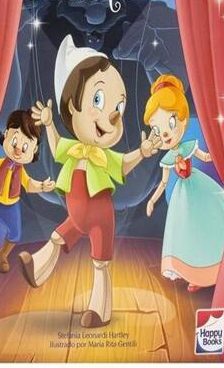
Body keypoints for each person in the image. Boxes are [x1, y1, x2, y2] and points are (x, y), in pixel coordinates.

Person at [18, 35, 161, 327]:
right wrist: (49, 124)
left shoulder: (102, 155)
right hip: (76, 215)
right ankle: (37, 271)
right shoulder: (74, 148)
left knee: (100, 263)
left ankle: (100, 311)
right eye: (99, 100)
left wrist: (142, 152)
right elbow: (56, 148)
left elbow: (123, 164)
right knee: (56, 239)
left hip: (99, 218)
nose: (113, 116)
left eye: (118, 108)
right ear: (71, 106)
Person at [144, 75, 224, 292]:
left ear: (182, 120)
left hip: (200, 189)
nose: (165, 133)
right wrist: (152, 201)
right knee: (187, 233)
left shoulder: (189, 145)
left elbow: (206, 157)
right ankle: (195, 273)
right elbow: (163, 183)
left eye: (170, 122)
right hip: (182, 198)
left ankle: (216, 268)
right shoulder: (167, 159)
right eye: (157, 129)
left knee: (208, 224)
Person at [0, 109, 55, 273]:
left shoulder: (20, 171)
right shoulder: (2, 163)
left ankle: (2, 254)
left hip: (11, 208)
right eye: (15, 141)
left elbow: (29, 184)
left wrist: (42, 186)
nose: (18, 150)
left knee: (15, 235)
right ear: (6, 134)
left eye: (25, 146)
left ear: (34, 150)